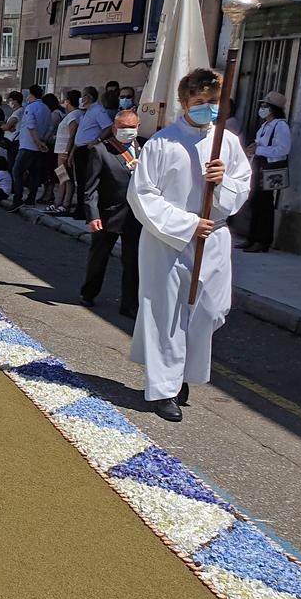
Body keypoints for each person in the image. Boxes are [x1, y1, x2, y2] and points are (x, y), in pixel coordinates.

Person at [127, 68, 251, 422]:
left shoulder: (227, 142)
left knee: (211, 310)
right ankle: (165, 388)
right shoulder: (162, 143)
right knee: (166, 312)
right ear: (184, 103)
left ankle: (181, 371)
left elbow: (241, 188)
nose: (208, 109)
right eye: (200, 102)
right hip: (168, 240)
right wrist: (187, 224)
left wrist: (222, 182)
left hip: (213, 237)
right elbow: (142, 195)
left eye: (213, 102)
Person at [81, 110, 143, 319]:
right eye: (123, 128)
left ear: (138, 127)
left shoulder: (145, 148)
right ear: (115, 128)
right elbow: (90, 188)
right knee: (99, 257)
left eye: (132, 127)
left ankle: (129, 304)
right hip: (108, 215)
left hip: (136, 216)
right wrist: (92, 215)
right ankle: (89, 292)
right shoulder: (101, 151)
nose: (128, 132)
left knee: (132, 261)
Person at [241, 91, 290, 253]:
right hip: (258, 166)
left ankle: (263, 241)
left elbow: (283, 149)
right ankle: (252, 238)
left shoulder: (281, 126)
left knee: (265, 205)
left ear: (274, 108)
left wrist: (260, 150)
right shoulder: (264, 126)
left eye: (265, 106)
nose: (262, 108)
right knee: (255, 202)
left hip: (269, 169)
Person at [7, 85, 50, 212]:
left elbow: (31, 126)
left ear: (31, 94)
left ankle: (18, 199)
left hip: (28, 145)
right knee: (34, 174)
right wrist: (43, 141)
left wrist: (37, 141)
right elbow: (51, 127)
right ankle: (31, 199)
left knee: (17, 171)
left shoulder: (30, 108)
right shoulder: (46, 108)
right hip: (39, 146)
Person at [45, 89, 85, 216]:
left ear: (68, 101)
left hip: (64, 151)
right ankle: (58, 202)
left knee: (67, 178)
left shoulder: (75, 115)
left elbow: (72, 136)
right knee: (62, 177)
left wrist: (67, 152)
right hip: (60, 150)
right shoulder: (71, 114)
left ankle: (66, 204)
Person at [73, 86, 110, 220]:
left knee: (86, 181)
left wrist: (96, 141)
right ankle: (80, 209)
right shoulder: (87, 112)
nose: (81, 99)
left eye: (83, 96)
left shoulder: (98, 110)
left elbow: (108, 127)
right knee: (81, 181)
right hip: (80, 149)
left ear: (88, 97)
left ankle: (86, 211)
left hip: (88, 150)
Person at [2, 91, 24, 169]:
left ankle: (12, 180)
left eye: (10, 100)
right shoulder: (21, 110)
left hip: (14, 141)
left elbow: (7, 126)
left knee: (12, 163)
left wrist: (2, 126)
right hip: (17, 140)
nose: (9, 102)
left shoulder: (17, 113)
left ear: (15, 101)